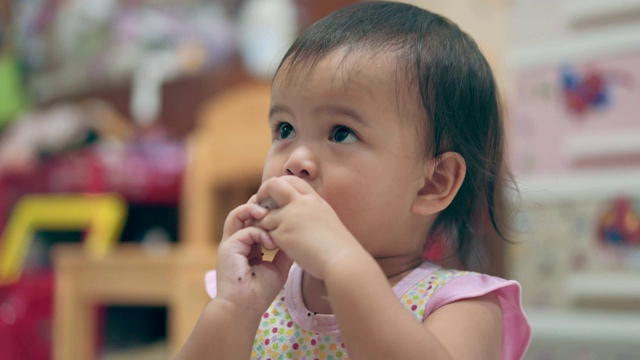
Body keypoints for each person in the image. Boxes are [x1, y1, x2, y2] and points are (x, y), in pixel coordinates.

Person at [176, 1, 531, 359]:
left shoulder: (460, 307)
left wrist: (341, 261)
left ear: (432, 183)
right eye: (285, 129)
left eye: (341, 133)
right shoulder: (257, 298)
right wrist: (235, 308)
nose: (296, 159)